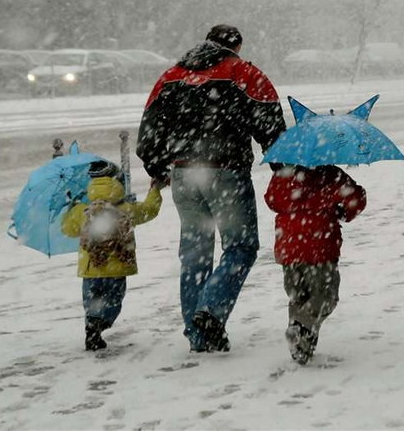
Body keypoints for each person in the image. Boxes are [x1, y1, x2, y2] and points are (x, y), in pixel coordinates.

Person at [136, 24, 286, 353]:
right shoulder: (243, 73)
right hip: (226, 173)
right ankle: (211, 310)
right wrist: (281, 165)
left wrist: (158, 166)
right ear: (237, 46)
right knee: (241, 247)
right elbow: (270, 121)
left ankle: (198, 335)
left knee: (194, 255)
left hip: (184, 176)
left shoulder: (171, 76)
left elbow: (149, 128)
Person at [264, 164, 367, 364]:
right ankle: (301, 327)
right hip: (319, 245)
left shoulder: (284, 174)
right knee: (325, 295)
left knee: (299, 296)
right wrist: (342, 212)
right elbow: (355, 199)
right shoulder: (330, 174)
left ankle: (301, 348)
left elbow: (272, 199)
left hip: (289, 246)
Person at [61, 161, 163, 351]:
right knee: (113, 300)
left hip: (91, 267)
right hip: (118, 267)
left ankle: (92, 327)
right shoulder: (125, 208)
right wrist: (155, 190)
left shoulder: (82, 210)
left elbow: (67, 229)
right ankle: (102, 322)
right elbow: (150, 210)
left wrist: (70, 209)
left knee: (92, 301)